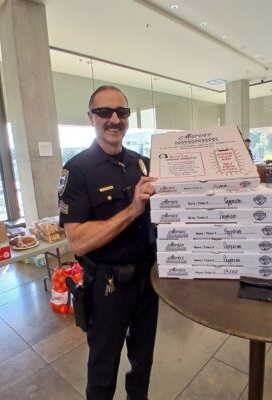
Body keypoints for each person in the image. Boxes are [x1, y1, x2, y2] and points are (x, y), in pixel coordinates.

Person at [58, 85, 158, 400]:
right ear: (91, 118)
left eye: (122, 112)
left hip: (148, 282)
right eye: (105, 112)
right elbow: (78, 241)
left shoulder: (143, 164)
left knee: (143, 363)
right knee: (103, 371)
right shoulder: (77, 171)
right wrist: (132, 210)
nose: (114, 119)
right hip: (108, 287)